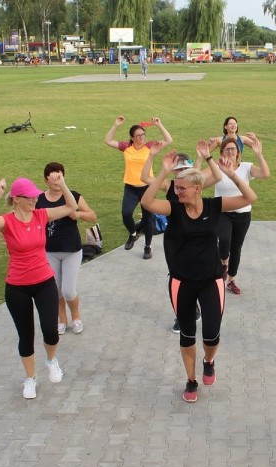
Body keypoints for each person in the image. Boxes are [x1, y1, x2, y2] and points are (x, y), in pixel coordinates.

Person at [141, 145, 257, 403]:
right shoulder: (174, 209)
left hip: (211, 280)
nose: (177, 191)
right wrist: (163, 172)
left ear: (197, 188)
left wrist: (234, 175)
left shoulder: (214, 206)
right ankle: (191, 380)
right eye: (176, 187)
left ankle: (209, 360)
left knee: (212, 334)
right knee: (187, 334)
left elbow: (250, 198)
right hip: (181, 282)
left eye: (182, 188)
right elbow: (147, 202)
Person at [0, 175, 79, 399]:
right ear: (16, 199)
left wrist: (62, 184)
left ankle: (52, 360)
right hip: (17, 287)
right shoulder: (7, 221)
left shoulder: (41, 215)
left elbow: (72, 206)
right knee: (26, 335)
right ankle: (30, 378)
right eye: (30, 197)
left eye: (35, 196)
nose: (35, 200)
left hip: (44, 282)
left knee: (50, 329)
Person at [142, 144, 221, 333]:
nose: (181, 173)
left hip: (196, 236)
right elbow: (144, 178)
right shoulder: (170, 185)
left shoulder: (196, 182)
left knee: (198, 272)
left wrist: (205, 158)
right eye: (178, 170)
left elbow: (217, 176)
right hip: (174, 239)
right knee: (176, 276)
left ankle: (201, 303)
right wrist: (153, 157)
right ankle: (184, 314)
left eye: (185, 169)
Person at [203, 133, 270, 295]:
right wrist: (204, 158)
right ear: (222, 152)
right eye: (227, 149)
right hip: (223, 212)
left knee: (237, 248)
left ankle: (231, 280)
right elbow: (199, 179)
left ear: (238, 152)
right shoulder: (217, 166)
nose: (231, 152)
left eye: (233, 149)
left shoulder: (246, 167)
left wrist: (259, 154)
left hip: (243, 215)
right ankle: (223, 262)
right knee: (224, 239)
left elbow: (265, 174)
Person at [36, 162, 98, 335]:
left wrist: (77, 214)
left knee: (68, 290)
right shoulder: (39, 199)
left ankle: (76, 316)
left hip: (71, 250)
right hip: (49, 252)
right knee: (55, 290)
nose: (57, 181)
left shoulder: (73, 196)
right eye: (53, 178)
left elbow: (92, 215)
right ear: (46, 179)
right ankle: (62, 320)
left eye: (60, 177)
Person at [104, 116, 173, 259]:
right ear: (132, 137)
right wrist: (116, 125)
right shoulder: (126, 147)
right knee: (126, 213)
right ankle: (133, 234)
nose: (141, 137)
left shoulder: (150, 146)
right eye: (138, 135)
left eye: (143, 134)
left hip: (148, 188)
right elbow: (108, 140)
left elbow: (168, 140)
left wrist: (159, 124)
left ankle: (147, 247)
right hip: (131, 187)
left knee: (148, 218)